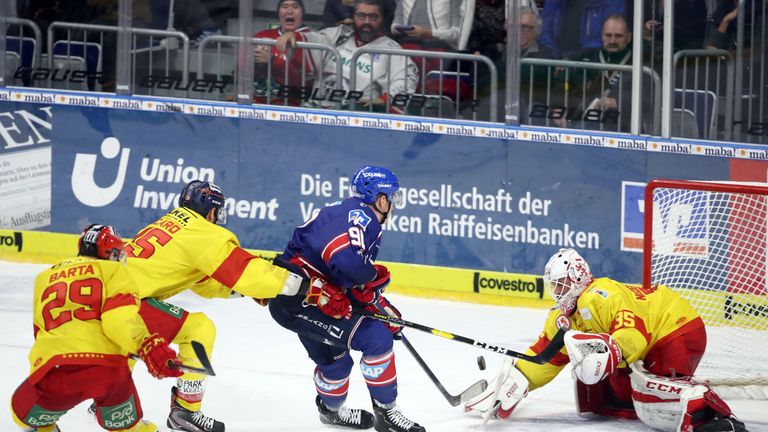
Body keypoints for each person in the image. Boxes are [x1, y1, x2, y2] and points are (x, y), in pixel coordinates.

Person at [465, 248, 749, 432]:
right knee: (616, 394)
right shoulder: (561, 318)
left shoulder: (601, 295)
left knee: (653, 399)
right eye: (554, 286)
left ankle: (714, 416)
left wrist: (610, 352)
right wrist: (516, 380)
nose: (558, 291)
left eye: (562, 284)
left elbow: (633, 335)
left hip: (675, 328)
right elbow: (545, 357)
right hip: (654, 339)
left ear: (578, 277)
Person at [121, 180, 312, 432]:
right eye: (217, 211)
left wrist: (247, 291)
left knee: (128, 342)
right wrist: (301, 285)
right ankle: (186, 411)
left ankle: (114, 401)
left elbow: (205, 282)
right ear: (211, 210)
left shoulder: (170, 225)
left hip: (105, 297)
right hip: (125, 304)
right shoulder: (203, 233)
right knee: (198, 329)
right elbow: (247, 271)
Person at [268, 166, 426, 432]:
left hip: (296, 298)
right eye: (392, 197)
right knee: (377, 339)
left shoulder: (344, 210)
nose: (394, 204)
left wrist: (376, 303)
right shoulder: (365, 218)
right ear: (380, 199)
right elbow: (346, 262)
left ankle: (330, 412)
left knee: (336, 364)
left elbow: (337, 270)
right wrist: (370, 278)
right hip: (304, 299)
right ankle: (387, 414)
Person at [11, 224, 183, 432]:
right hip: (107, 370)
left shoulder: (44, 278)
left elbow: (40, 332)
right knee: (129, 428)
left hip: (55, 372)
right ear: (111, 252)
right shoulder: (113, 270)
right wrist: (149, 346)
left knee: (23, 415)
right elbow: (118, 321)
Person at [276, 0, 418, 114]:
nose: (366, 22)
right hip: (316, 110)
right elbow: (316, 38)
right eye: (361, 16)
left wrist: (386, 99)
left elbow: (407, 77)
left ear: (382, 19)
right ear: (352, 17)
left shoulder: (391, 49)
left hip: (355, 117)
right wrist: (293, 36)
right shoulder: (339, 35)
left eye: (373, 17)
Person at [252, 0, 315, 103]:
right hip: (258, 103)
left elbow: (306, 81)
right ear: (278, 13)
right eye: (284, 6)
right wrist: (258, 63)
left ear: (302, 13)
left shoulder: (311, 39)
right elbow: (240, 71)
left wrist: (272, 61)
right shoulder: (263, 35)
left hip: (293, 106)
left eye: (295, 7)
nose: (289, 11)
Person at [538, 0, 626, 59]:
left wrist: (574, 58)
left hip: (589, 61)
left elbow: (609, 36)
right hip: (552, 60)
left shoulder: (612, 2)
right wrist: (553, 56)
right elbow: (543, 30)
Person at [390, 0, 475, 50]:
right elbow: (396, 21)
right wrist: (398, 28)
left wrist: (428, 33)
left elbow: (458, 35)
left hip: (442, 52)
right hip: (409, 48)